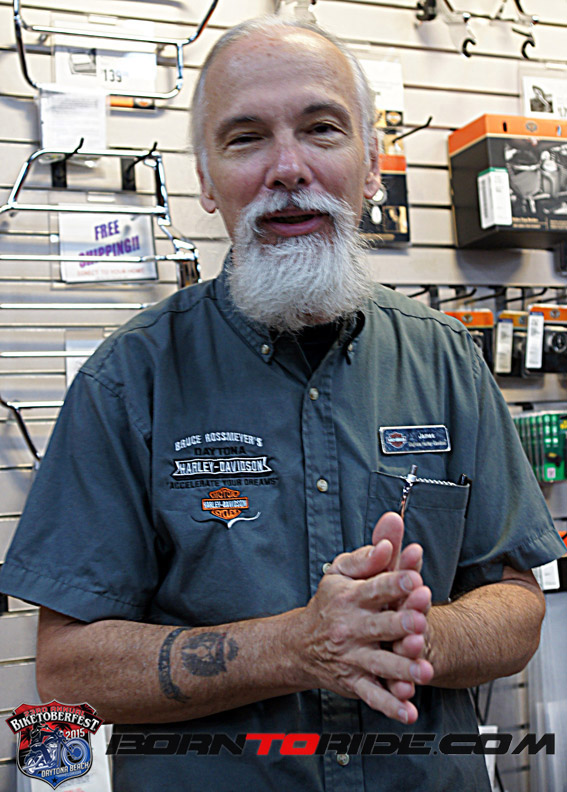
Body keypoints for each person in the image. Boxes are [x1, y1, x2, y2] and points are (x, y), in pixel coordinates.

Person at [1, 16, 564, 792]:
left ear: (371, 166)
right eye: (246, 139)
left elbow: (515, 604)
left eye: (321, 129)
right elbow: (68, 669)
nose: (288, 168)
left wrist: (406, 634)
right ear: (206, 182)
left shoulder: (445, 358)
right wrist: (295, 646)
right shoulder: (127, 379)